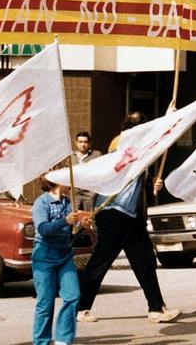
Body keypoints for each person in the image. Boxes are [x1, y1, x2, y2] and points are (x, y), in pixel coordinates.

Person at [77, 111, 181, 324]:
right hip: (115, 211)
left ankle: (156, 308)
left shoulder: (139, 147)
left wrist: (153, 183)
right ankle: (79, 308)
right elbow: (149, 145)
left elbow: (141, 175)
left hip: (130, 214)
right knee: (100, 261)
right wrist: (168, 120)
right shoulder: (123, 142)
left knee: (144, 261)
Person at [31, 179, 90, 345]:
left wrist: (81, 226)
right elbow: (43, 229)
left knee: (73, 296)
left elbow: (71, 233)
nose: (70, 183)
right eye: (65, 180)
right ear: (56, 182)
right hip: (44, 255)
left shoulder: (67, 202)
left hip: (64, 254)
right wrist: (65, 221)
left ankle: (63, 340)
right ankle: (41, 341)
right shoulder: (41, 203)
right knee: (45, 302)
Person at [71, 131, 102, 211]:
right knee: (74, 217)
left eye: (85, 142)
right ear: (76, 142)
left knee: (88, 218)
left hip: (89, 192)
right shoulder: (71, 157)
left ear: (89, 143)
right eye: (80, 142)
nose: (83, 145)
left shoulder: (96, 155)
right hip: (75, 192)